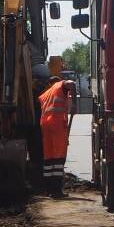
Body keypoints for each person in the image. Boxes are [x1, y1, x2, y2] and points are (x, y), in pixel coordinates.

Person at [39, 56, 76, 198]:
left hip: (45, 125)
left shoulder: (44, 95)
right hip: (57, 124)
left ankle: (49, 190)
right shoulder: (59, 85)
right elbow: (71, 84)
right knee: (59, 157)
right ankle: (57, 191)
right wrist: (74, 104)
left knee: (49, 159)